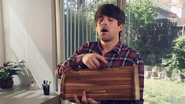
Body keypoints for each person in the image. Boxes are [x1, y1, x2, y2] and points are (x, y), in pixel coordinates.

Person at [55, 4, 144, 104]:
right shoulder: (87, 48)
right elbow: (58, 72)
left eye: (110, 20)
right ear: (96, 26)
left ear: (120, 27)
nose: (104, 23)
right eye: (100, 20)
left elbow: (137, 101)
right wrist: (81, 59)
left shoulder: (132, 57)